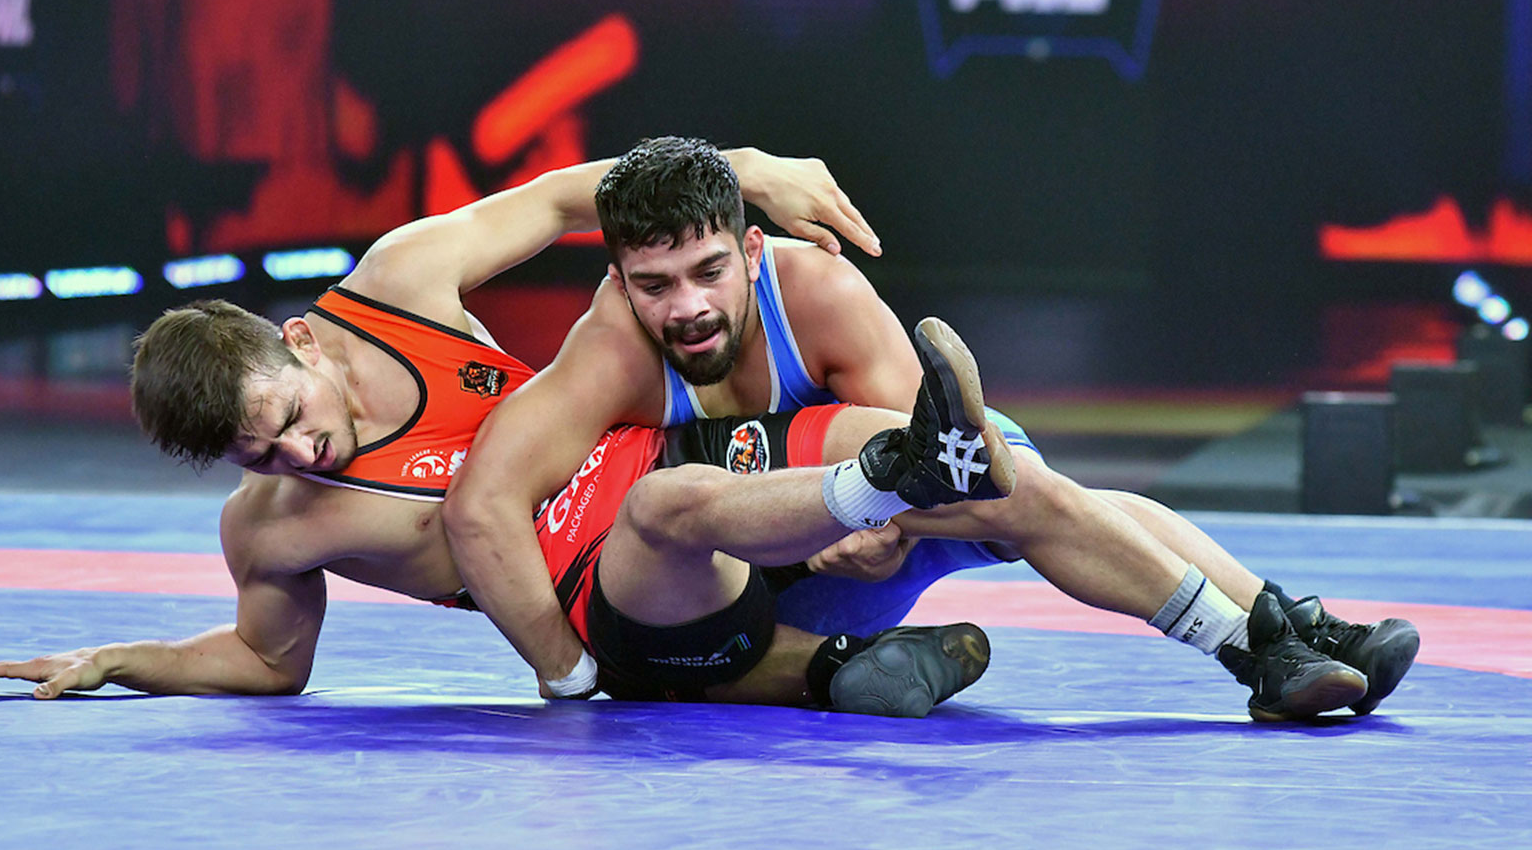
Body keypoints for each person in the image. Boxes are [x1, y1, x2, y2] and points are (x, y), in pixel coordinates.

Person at [0, 148, 1004, 716]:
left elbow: (559, 203)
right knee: (642, 652)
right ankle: (843, 668)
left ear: (299, 345)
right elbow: (269, 664)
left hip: (675, 470)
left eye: (284, 422)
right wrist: (130, 660)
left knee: (981, 467)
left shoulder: (397, 286)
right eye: (256, 458)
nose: (296, 457)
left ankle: (1054, 547)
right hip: (610, 605)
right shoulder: (271, 532)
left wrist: (739, 170)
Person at [444, 137, 1421, 722]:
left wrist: (881, 531)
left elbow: (944, 455)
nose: (686, 309)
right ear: (618, 281)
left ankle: (1280, 636)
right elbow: (483, 502)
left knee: (1010, 487)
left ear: (752, 250)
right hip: (722, 597)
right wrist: (564, 675)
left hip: (854, 544)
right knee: (991, 487)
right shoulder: (610, 348)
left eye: (707, 274)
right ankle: (1272, 638)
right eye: (654, 286)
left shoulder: (815, 294)